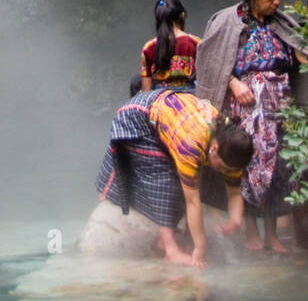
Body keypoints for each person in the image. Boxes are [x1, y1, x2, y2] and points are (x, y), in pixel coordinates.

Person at [195, 0, 308, 254]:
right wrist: (234, 83)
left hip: (278, 105)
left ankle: (272, 234)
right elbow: (210, 63)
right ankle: (251, 232)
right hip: (245, 106)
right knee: (248, 165)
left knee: (277, 168)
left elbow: (305, 57)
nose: (276, 2)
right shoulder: (228, 21)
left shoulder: (281, 22)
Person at [95, 88, 253, 266]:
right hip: (137, 116)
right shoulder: (191, 144)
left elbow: (234, 191)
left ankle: (178, 236)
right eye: (223, 167)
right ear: (214, 149)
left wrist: (235, 221)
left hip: (167, 115)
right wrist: (200, 248)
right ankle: (170, 248)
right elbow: (192, 201)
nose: (225, 172)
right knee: (166, 181)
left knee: (189, 180)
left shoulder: (231, 147)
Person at [140, 0, 201, 91]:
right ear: (182, 15)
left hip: (159, 100)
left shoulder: (149, 47)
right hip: (189, 99)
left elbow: (146, 90)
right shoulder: (196, 43)